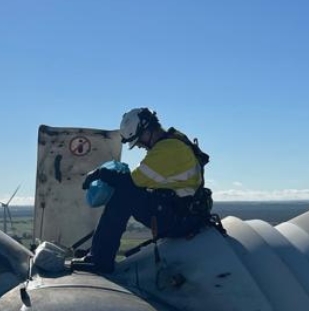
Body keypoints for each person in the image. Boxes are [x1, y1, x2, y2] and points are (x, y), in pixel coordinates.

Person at [73, 108, 212, 273]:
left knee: (124, 195)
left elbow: (131, 183)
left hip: (179, 219)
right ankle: (98, 254)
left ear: (147, 130)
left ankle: (100, 260)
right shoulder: (175, 141)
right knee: (127, 190)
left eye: (138, 140)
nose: (139, 146)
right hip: (185, 215)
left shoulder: (168, 150)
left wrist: (101, 173)